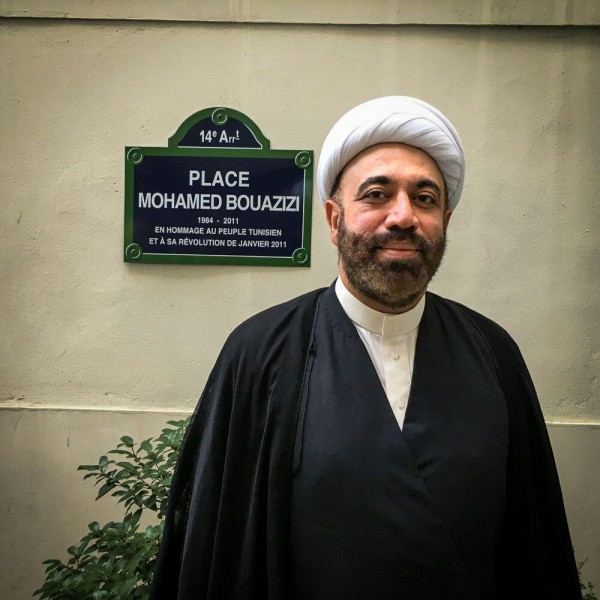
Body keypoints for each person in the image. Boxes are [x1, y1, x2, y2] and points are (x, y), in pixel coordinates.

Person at [150, 97, 582, 600]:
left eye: (424, 199)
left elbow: (532, 544)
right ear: (334, 219)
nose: (403, 216)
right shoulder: (260, 351)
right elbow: (220, 544)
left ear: (445, 220)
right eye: (377, 195)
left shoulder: (494, 353)